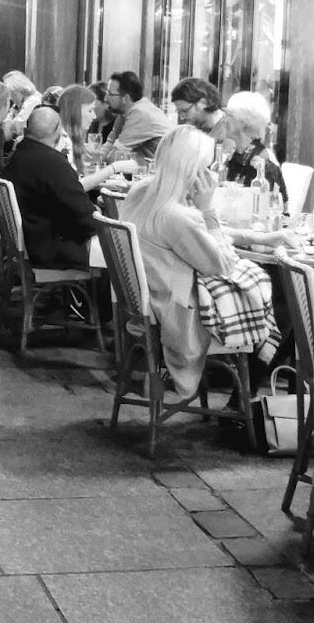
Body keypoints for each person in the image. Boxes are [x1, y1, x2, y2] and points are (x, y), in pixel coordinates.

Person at [119, 125, 241, 398]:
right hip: (177, 315)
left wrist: (263, 238)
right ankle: (246, 404)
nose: (209, 175)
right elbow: (223, 264)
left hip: (146, 303)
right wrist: (208, 210)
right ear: (193, 169)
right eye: (206, 167)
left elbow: (194, 238)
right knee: (273, 301)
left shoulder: (141, 191)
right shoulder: (176, 216)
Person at [2, 104, 97, 267]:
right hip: (47, 247)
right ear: (58, 132)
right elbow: (86, 219)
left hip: (29, 238)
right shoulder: (54, 163)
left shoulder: (18, 154)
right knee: (114, 248)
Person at [58, 83, 131, 195]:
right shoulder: (63, 142)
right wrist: (114, 168)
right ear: (76, 112)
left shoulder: (66, 137)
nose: (94, 116)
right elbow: (74, 188)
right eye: (90, 111)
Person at [222, 90, 287, 204]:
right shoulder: (237, 154)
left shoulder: (262, 160)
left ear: (243, 121)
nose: (224, 120)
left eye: (229, 115)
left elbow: (266, 206)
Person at [101, 70, 170, 161]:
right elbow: (109, 144)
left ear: (126, 98)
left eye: (110, 94)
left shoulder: (140, 114)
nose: (105, 98)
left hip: (164, 171)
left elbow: (114, 157)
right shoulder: (124, 114)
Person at [171, 77, 227, 146]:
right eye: (179, 112)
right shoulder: (197, 131)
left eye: (185, 111)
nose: (182, 117)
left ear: (203, 103)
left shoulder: (229, 132)